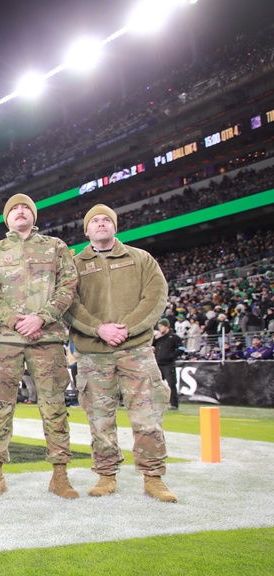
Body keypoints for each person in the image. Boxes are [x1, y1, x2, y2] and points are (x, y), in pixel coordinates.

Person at [66, 204, 177, 502]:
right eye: (95, 221)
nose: (101, 224)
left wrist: (126, 328)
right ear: (86, 230)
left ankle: (153, 477)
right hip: (94, 353)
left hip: (135, 350)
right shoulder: (74, 265)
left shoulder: (141, 259)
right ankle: (105, 474)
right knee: (100, 420)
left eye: (106, 220)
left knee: (147, 417)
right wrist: (99, 329)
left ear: (115, 227)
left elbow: (156, 297)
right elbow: (69, 304)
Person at [0, 193, 79, 499]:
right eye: (14, 209)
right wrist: (12, 319)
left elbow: (68, 285)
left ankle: (59, 475)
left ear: (34, 215)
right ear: (6, 218)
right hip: (5, 341)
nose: (20, 211)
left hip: (46, 338)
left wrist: (42, 318)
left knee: (54, 407)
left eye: (26, 207)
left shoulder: (55, 246)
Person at [153, 318, 183, 410]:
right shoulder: (158, 338)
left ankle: (174, 404)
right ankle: (157, 403)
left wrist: (171, 356)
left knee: (171, 384)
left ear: (166, 326)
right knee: (156, 385)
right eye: (159, 326)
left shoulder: (174, 337)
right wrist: (155, 339)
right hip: (157, 364)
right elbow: (151, 345)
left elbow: (181, 349)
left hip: (168, 364)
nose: (160, 328)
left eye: (161, 326)